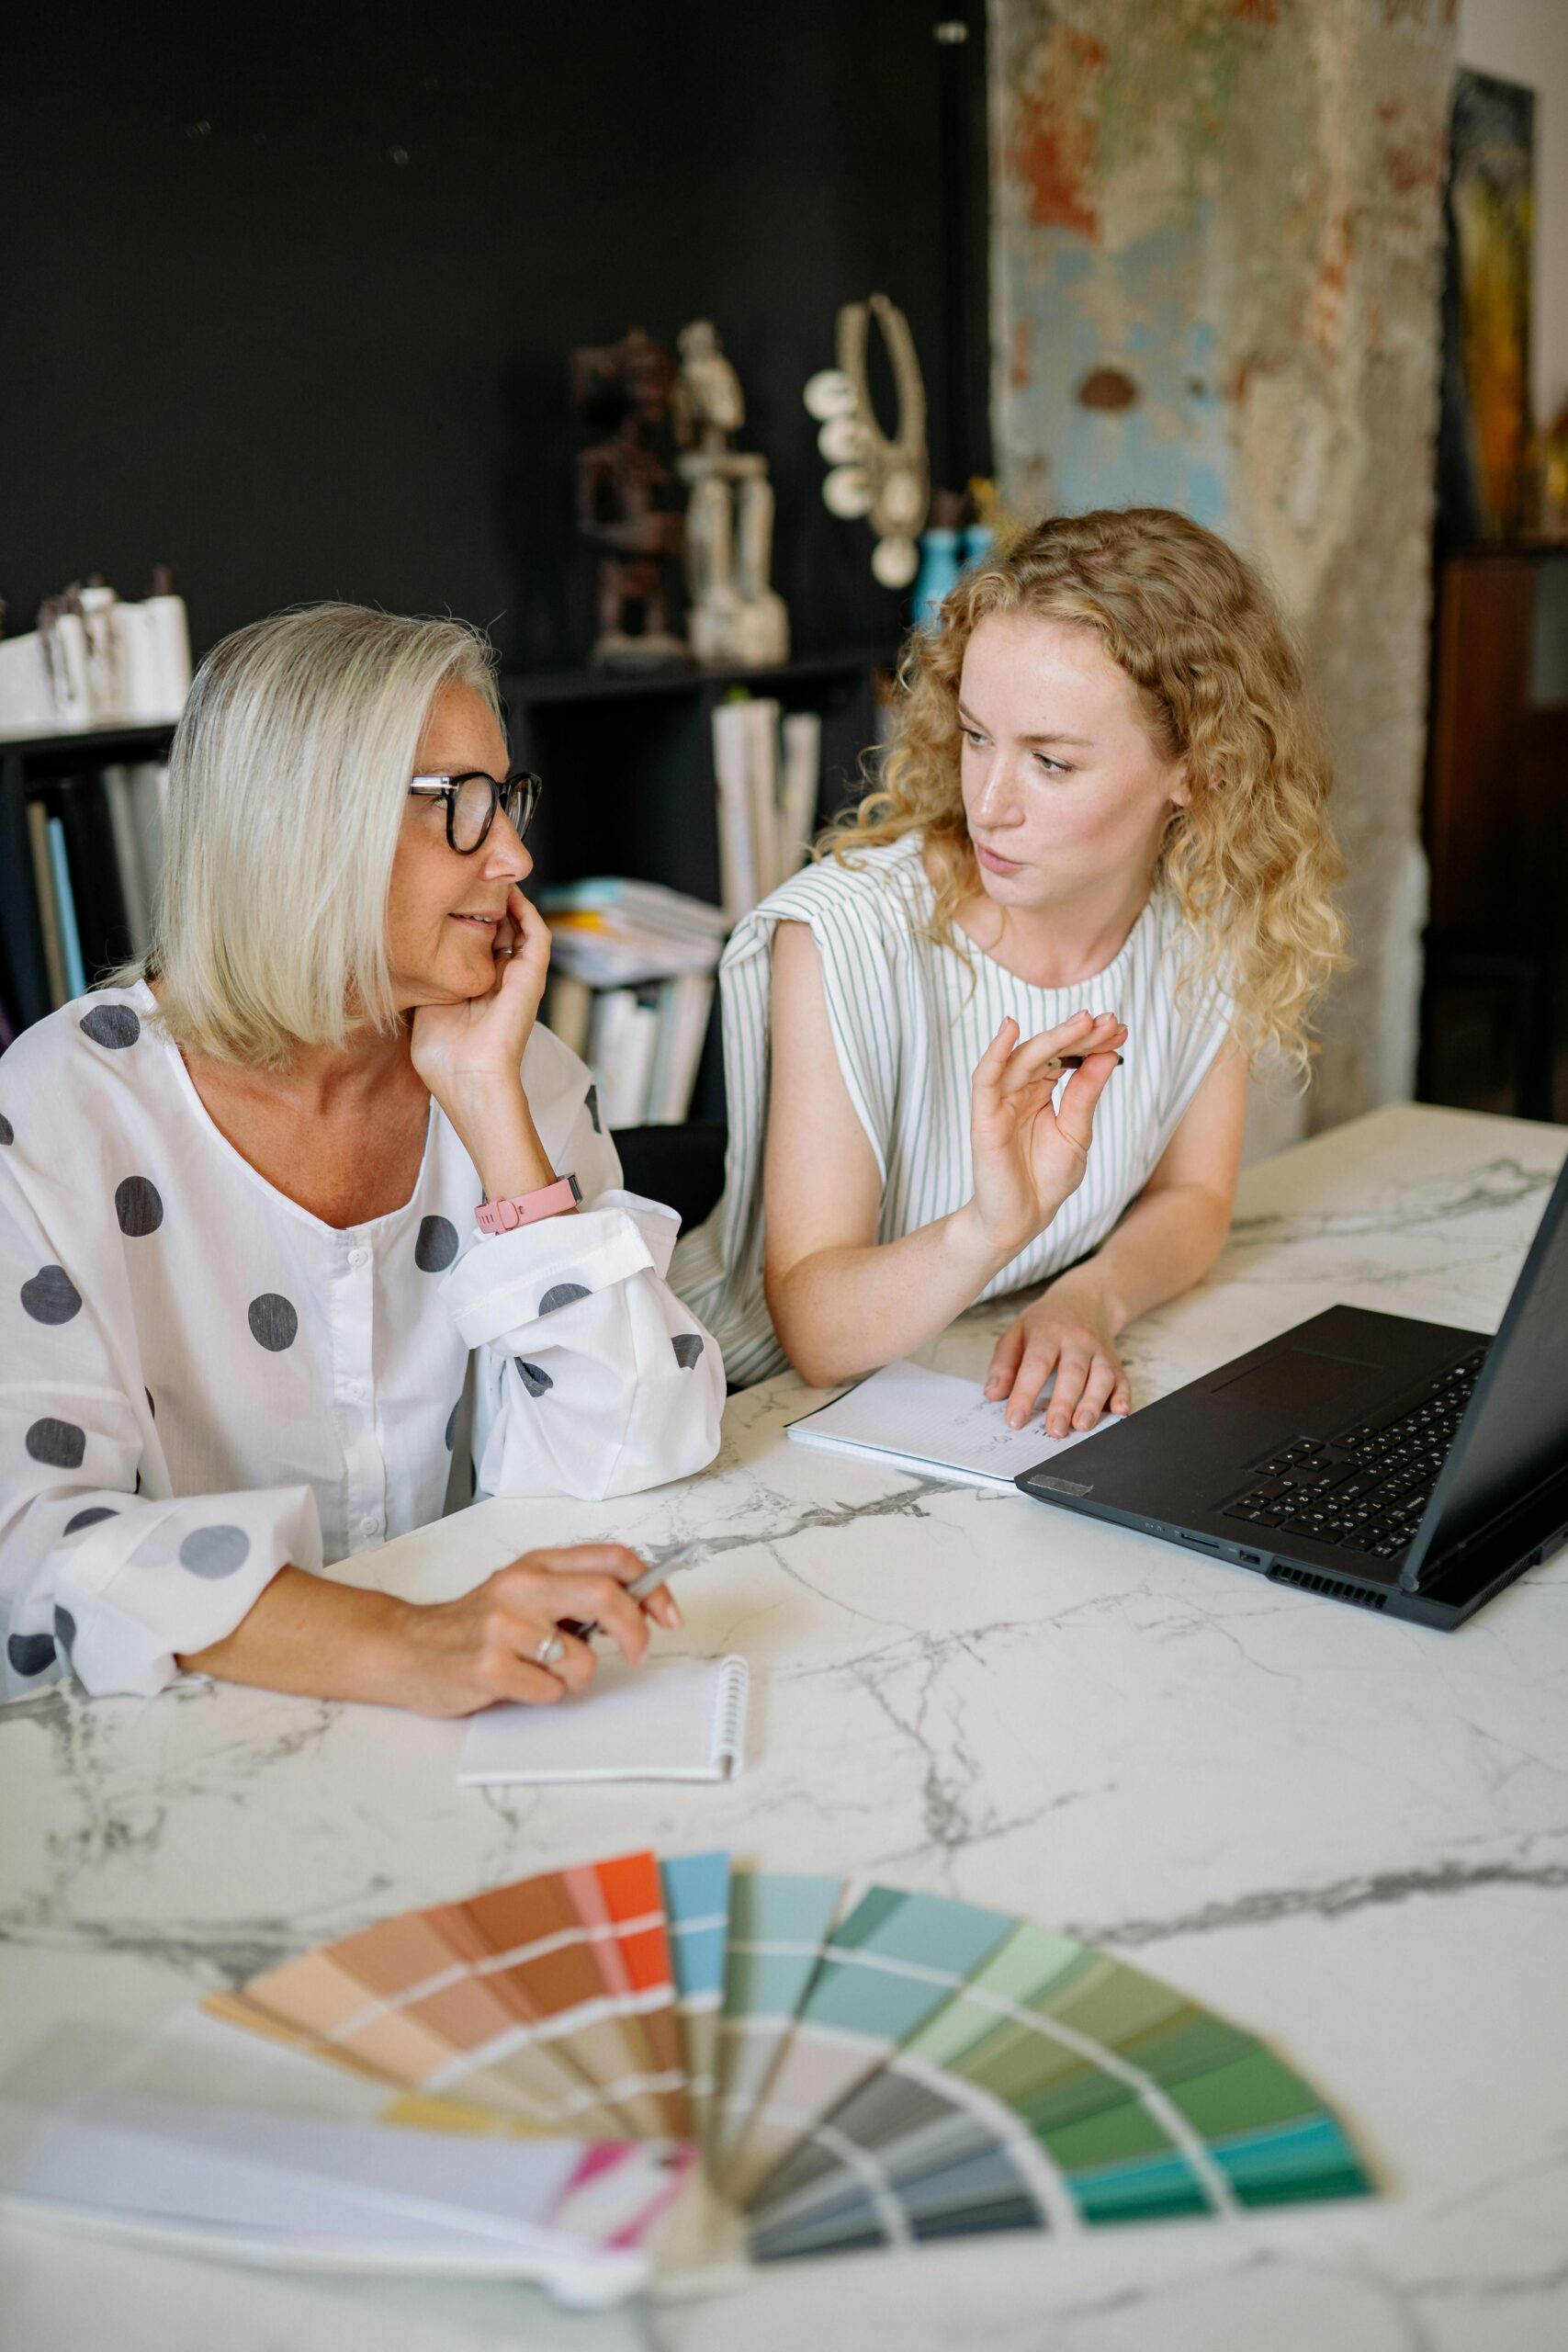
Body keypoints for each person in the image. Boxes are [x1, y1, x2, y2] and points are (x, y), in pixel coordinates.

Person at [0, 605, 722, 1709]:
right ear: (303, 825)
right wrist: (403, 1643)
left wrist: (490, 1106)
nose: (518, 856)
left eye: (508, 800)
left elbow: (637, 1450)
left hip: (489, 1711)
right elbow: (31, 1548)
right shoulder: (54, 1118)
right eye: (462, 809)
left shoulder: (515, 1075)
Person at [673, 508, 1346, 1427]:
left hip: (957, 1394)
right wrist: (990, 1226)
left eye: (1052, 763)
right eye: (977, 735)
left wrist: (1086, 1298)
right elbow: (815, 1333)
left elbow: (1194, 1196)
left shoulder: (1205, 922)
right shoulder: (847, 934)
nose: (988, 804)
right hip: (727, 1411)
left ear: (1195, 767)